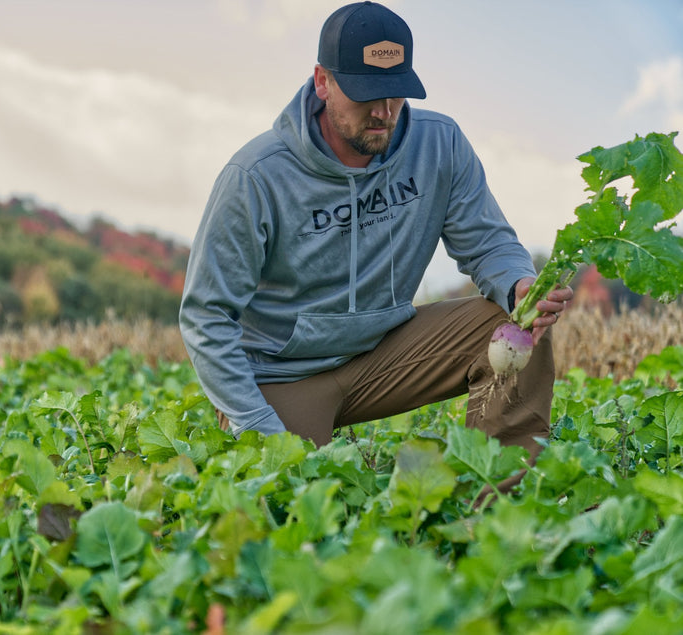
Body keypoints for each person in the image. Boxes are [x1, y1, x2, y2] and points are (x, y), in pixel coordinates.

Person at [178, 1, 573, 461]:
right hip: (283, 377)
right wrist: (262, 430)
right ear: (323, 81)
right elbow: (206, 316)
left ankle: (493, 508)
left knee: (512, 325)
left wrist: (518, 284)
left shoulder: (439, 144)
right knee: (291, 510)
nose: (384, 112)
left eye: (397, 92)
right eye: (367, 93)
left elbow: (488, 243)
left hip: (385, 355)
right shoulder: (256, 176)